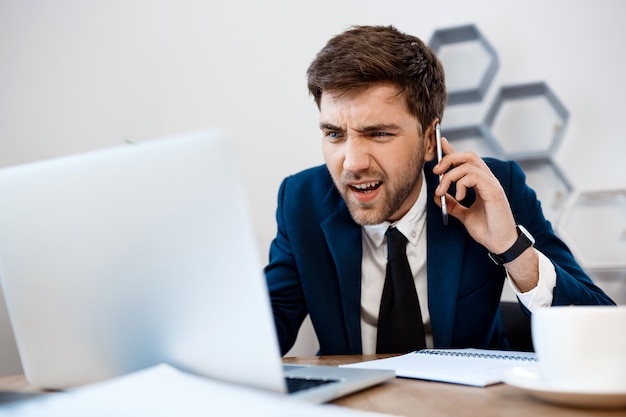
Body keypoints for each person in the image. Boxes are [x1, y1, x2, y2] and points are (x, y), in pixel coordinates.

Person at [264, 25, 615, 356]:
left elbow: (605, 334)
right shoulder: (301, 201)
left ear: (429, 140)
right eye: (334, 134)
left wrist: (512, 249)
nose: (352, 163)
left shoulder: (491, 187)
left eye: (379, 134)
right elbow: (262, 328)